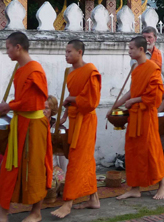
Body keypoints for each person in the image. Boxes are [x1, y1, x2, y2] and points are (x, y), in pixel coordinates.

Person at [0, 32, 52, 222]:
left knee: (35, 167)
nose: (6, 51)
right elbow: (22, 99)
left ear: (18, 47)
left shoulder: (35, 70)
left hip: (34, 125)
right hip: (20, 123)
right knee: (9, 168)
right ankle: (2, 212)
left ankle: (36, 212)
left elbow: (35, 102)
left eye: (8, 47)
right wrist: (7, 112)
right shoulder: (20, 68)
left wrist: (10, 106)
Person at [112, 36, 164, 200]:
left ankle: (162, 184)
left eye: (131, 48)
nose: (129, 51)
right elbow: (132, 90)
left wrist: (134, 100)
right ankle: (134, 188)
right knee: (132, 152)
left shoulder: (152, 68)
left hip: (146, 116)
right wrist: (117, 103)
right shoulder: (136, 67)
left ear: (141, 49)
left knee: (151, 150)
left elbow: (156, 96)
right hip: (134, 116)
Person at [52, 40, 101, 218]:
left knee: (77, 160)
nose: (66, 55)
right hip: (74, 119)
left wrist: (72, 100)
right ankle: (94, 199)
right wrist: (65, 113)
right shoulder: (69, 72)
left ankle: (68, 203)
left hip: (86, 120)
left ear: (80, 52)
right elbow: (71, 97)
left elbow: (91, 101)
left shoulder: (90, 71)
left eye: (69, 52)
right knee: (84, 159)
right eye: (65, 52)